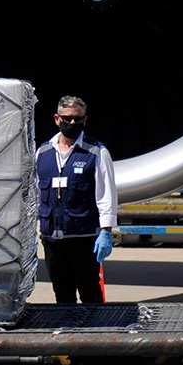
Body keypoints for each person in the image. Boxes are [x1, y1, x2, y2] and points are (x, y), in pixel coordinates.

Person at [35, 96, 117, 303]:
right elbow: (34, 195)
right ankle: (68, 331)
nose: (72, 123)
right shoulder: (43, 153)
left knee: (90, 292)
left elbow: (106, 194)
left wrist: (106, 231)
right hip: (52, 239)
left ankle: (95, 332)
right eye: (67, 119)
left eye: (77, 119)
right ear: (56, 119)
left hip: (84, 238)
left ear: (85, 120)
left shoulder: (96, 152)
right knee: (62, 293)